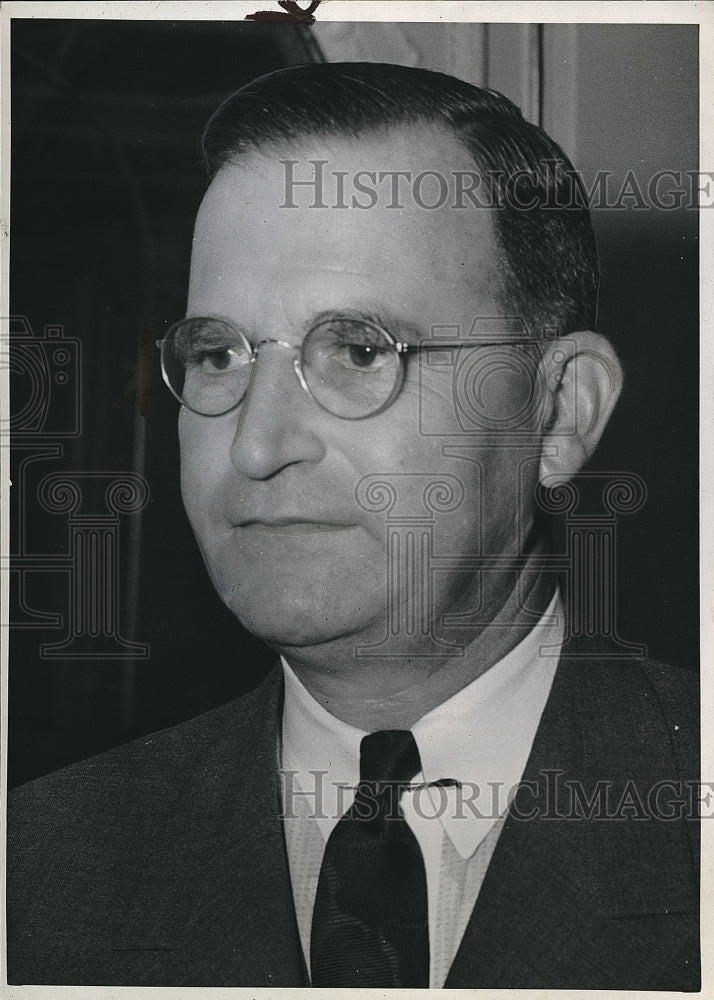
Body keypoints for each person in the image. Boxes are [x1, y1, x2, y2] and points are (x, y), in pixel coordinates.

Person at [7, 63, 699, 989]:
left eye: (361, 350)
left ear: (559, 412)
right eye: (218, 355)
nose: (255, 448)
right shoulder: (39, 871)